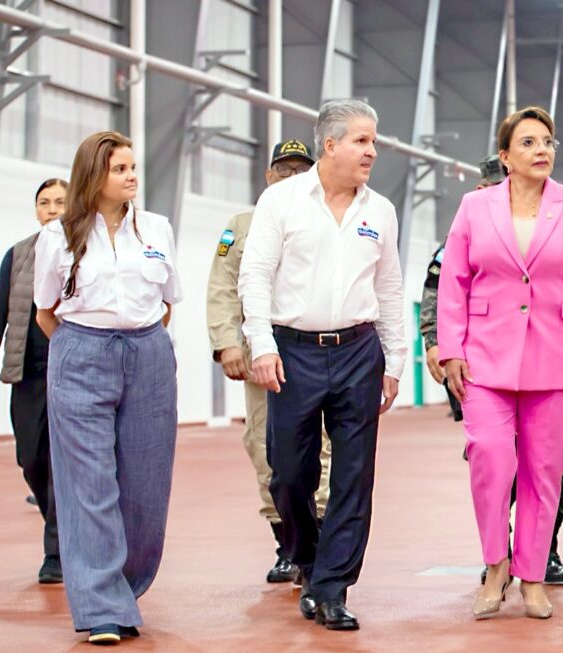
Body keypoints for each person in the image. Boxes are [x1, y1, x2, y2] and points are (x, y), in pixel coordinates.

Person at [438, 106, 563, 620]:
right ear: (505, 156)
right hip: (484, 359)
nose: (542, 151)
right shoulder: (474, 208)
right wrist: (450, 348)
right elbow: (453, 281)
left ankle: (532, 575)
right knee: (490, 458)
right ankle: (496, 563)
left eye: (548, 143)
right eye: (529, 143)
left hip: (558, 358)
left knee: (544, 472)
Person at [238, 99, 407, 630]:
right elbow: (255, 277)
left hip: (359, 351)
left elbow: (390, 287)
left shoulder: (379, 210)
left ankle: (333, 587)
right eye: (361, 141)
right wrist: (260, 344)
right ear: (330, 145)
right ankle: (309, 562)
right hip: (292, 353)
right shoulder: (281, 201)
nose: (371, 151)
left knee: (354, 475)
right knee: (288, 472)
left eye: (373, 142)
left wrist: (395, 359)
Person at [33, 131, 182, 644]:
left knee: (145, 486)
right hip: (79, 351)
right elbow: (45, 312)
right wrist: (83, 349)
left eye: (134, 167)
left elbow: (167, 303)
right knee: (88, 483)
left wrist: (135, 345)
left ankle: (124, 588)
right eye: (121, 169)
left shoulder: (157, 227)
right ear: (94, 176)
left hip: (148, 353)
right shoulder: (58, 235)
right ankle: (99, 607)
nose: (132, 176)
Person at [419, 155, 563, 586]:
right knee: (491, 456)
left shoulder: (551, 221)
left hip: (546, 364)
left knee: (548, 463)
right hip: (480, 360)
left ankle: (545, 550)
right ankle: (500, 553)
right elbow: (438, 291)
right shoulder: (465, 230)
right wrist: (435, 343)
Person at [206, 139, 333, 584]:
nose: (292, 176)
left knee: (321, 449)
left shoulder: (328, 218)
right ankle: (287, 544)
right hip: (263, 354)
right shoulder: (241, 225)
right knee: (265, 446)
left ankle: (316, 542)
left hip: (317, 353)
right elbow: (222, 287)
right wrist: (227, 345)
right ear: (269, 176)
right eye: (284, 170)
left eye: (302, 169)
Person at [0, 178, 67, 584]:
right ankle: (59, 524)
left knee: (63, 461)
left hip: (70, 371)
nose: (52, 209)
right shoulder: (17, 255)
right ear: (36, 210)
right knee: (30, 458)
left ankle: (56, 554)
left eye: (60, 202)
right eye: (44, 203)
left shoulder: (86, 249)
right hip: (26, 372)